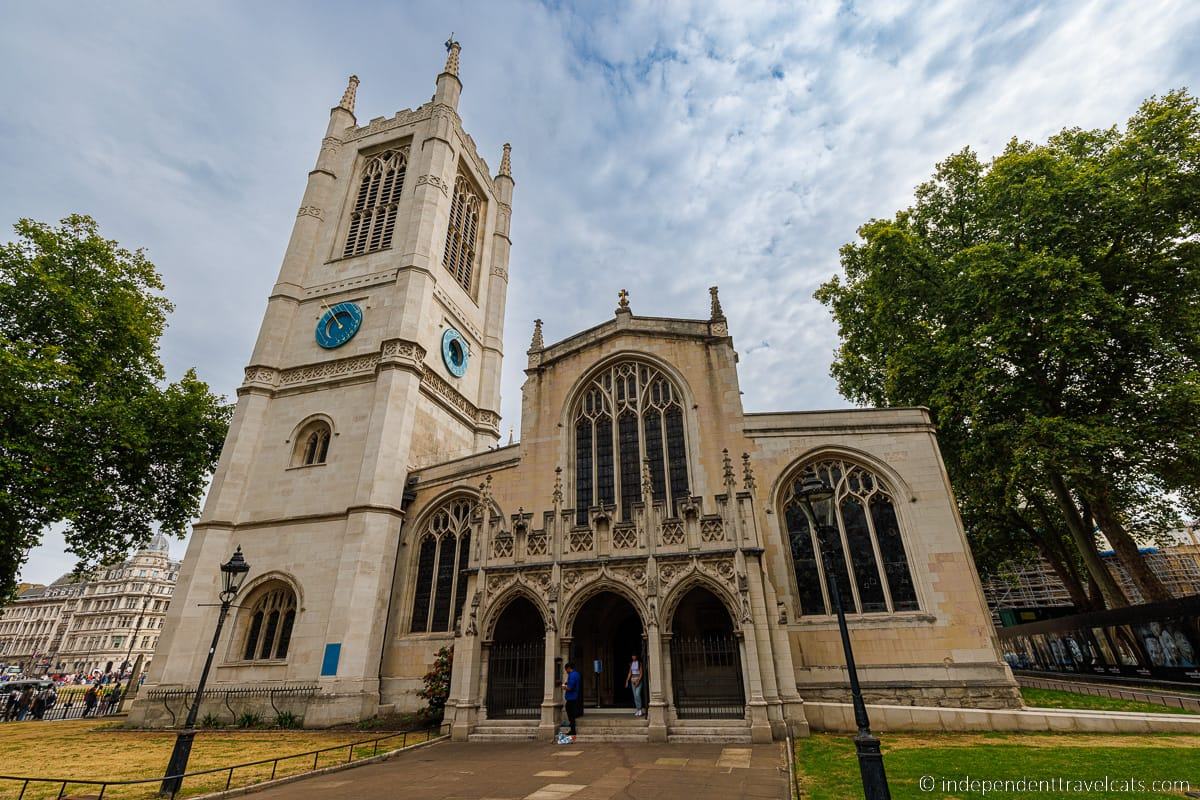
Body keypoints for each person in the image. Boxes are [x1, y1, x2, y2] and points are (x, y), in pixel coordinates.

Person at [561, 662, 581, 736]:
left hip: (571, 698)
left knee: (571, 715)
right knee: (571, 713)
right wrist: (567, 683)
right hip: (574, 697)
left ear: (569, 668)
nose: (566, 671)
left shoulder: (572, 675)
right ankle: (572, 728)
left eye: (566, 669)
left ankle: (573, 730)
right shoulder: (577, 674)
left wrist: (564, 687)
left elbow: (570, 688)